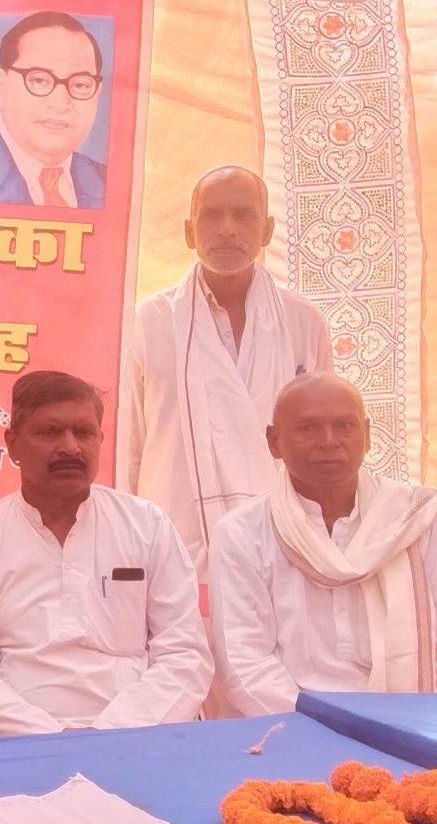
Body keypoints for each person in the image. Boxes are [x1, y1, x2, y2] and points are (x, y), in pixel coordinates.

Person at [0, 371, 211, 733]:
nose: (70, 447)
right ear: (12, 444)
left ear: (100, 439)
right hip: (19, 738)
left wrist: (109, 732)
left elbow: (184, 653)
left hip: (136, 732)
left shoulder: (147, 526)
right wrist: (50, 737)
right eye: (50, 432)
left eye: (84, 432)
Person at [210, 375, 437, 715]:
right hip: (293, 722)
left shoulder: (410, 520)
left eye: (344, 426)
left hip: (408, 719)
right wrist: (327, 724)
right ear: (274, 442)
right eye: (308, 429)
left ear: (367, 435)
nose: (329, 441)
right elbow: (244, 662)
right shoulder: (241, 533)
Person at [119, 166, 335, 571]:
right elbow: (128, 447)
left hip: (280, 543)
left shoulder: (302, 321)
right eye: (211, 216)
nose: (227, 229)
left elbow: (324, 439)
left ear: (267, 230)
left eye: (243, 215)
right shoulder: (150, 323)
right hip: (172, 542)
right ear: (189, 232)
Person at [0, 11, 108, 210]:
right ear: (2, 87)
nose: (60, 104)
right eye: (39, 80)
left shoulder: (108, 182)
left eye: (80, 85)